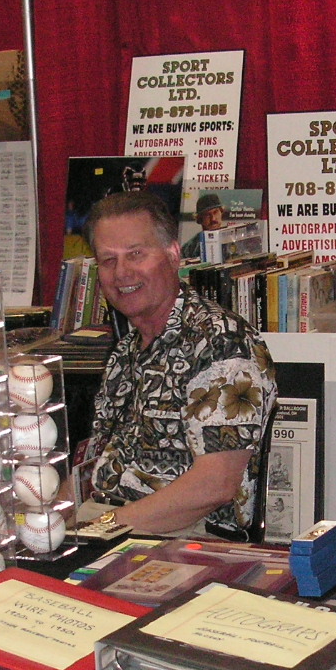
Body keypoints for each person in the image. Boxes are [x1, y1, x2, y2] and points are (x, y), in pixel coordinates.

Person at [77, 191, 277, 537]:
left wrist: (99, 529)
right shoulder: (127, 349)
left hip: (184, 535)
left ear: (172, 254)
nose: (122, 272)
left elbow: (214, 486)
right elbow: (96, 462)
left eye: (135, 254)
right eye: (108, 260)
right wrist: (45, 514)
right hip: (107, 520)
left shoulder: (220, 342)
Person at [179, 191, 227, 263]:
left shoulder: (232, 239)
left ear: (221, 212)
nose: (213, 219)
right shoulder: (189, 248)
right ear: (200, 219)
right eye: (207, 215)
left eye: (215, 212)